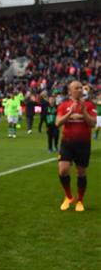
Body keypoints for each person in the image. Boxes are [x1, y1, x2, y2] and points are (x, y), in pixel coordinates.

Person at [56, 81, 96, 212]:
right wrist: (69, 114)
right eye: (76, 88)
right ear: (70, 91)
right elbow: (57, 123)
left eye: (81, 88)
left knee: (81, 172)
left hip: (83, 144)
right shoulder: (64, 105)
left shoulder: (89, 105)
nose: (80, 90)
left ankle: (80, 201)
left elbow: (92, 124)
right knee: (63, 170)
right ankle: (68, 197)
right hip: (67, 143)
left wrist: (84, 112)